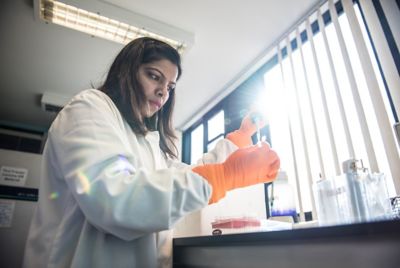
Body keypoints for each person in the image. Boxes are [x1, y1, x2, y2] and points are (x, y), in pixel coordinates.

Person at [22, 37, 280, 268]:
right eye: (154, 76)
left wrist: (240, 137)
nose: (163, 92)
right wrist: (225, 175)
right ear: (126, 72)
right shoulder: (89, 108)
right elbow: (115, 199)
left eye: (170, 86)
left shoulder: (146, 143)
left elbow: (189, 176)